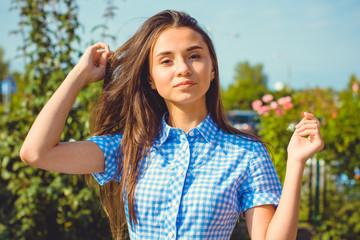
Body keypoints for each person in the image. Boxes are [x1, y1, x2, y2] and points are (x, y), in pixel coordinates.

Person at [20, 10, 324, 240]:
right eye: (166, 60)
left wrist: (295, 162)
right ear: (150, 79)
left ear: (213, 69)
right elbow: (37, 153)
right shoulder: (128, 148)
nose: (183, 69)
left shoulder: (246, 154)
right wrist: (79, 75)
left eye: (194, 56)